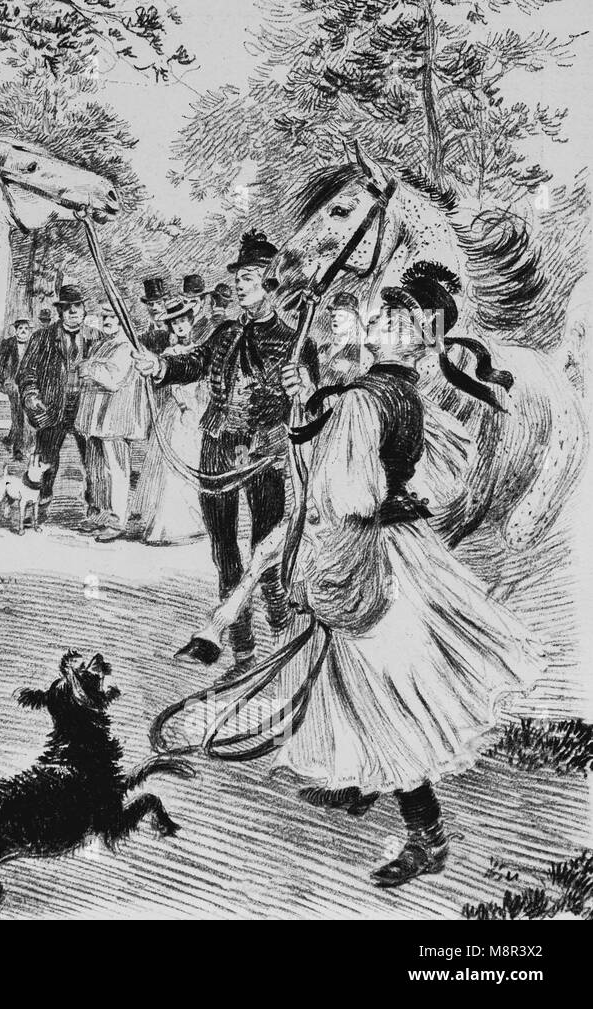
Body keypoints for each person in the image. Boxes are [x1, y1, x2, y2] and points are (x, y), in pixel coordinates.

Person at [261, 259, 543, 887]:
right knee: (347, 672)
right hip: (399, 544)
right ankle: (362, 779)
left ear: (421, 333)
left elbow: (345, 491)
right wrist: (308, 406)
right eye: (380, 316)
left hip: (371, 549)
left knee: (384, 684)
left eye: (393, 319)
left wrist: (310, 419)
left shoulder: (365, 396)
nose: (377, 325)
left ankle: (427, 833)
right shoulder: (398, 393)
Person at [133, 230, 318, 675]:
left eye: (250, 277)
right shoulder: (224, 332)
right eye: (237, 276)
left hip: (263, 452)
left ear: (273, 284)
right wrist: (160, 366)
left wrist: (307, 387)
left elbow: (314, 405)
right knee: (223, 547)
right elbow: (191, 364)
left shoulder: (298, 341)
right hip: (217, 445)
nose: (238, 284)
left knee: (264, 548)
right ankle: (238, 641)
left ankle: (278, 613)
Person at [18, 284, 102, 526]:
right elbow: (27, 372)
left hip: (86, 408)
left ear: (84, 310)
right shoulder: (42, 337)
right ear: (60, 312)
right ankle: (37, 508)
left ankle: (96, 511)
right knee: (45, 460)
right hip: (52, 408)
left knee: (94, 461)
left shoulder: (97, 338)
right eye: (67, 308)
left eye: (77, 307)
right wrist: (32, 395)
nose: (73, 312)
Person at [134, 296, 210, 545]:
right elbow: (175, 386)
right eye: (175, 323)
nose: (179, 326)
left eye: (183, 321)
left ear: (190, 321)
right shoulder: (170, 353)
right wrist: (185, 407)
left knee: (195, 465)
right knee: (173, 467)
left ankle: (195, 522)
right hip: (179, 412)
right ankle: (168, 526)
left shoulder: (200, 349)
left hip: (198, 411)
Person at [74, 300, 152, 542]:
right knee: (97, 469)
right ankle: (99, 515)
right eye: (105, 318)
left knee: (116, 471)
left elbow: (113, 379)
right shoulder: (102, 345)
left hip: (115, 420)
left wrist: (89, 369)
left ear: (122, 321)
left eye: (113, 318)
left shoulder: (126, 347)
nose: (108, 322)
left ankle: (117, 521)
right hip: (96, 420)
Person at [0, 318, 35, 461]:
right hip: (13, 384)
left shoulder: (34, 345)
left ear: (29, 331)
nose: (23, 331)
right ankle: (18, 448)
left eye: (26, 329)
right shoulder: (8, 344)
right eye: (20, 328)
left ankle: (12, 437)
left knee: (24, 413)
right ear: (15, 330)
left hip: (29, 384)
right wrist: (5, 380)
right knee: (19, 412)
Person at [320, 291, 370, 382]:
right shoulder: (323, 348)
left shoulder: (357, 351)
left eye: (341, 316)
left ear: (352, 321)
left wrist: (349, 369)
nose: (335, 319)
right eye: (333, 315)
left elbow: (363, 380)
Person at [139, 277, 171, 356]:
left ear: (165, 303)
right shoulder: (144, 337)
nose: (154, 307)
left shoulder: (175, 329)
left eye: (159, 303)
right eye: (150, 304)